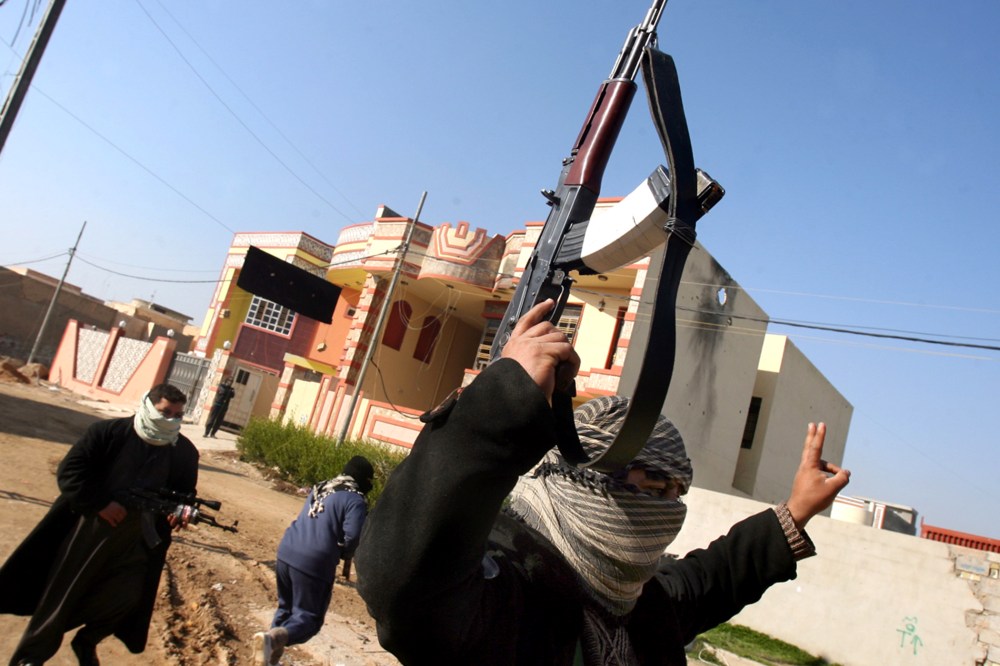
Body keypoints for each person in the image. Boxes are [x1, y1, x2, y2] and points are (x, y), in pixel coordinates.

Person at [355, 299, 851, 665]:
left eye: (674, 494)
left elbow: (711, 577)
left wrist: (795, 511)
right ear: (585, 474)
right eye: (649, 486)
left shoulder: (641, 604)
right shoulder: (505, 581)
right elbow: (403, 582)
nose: (665, 509)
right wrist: (502, 399)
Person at [0, 383, 199, 666]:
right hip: (91, 530)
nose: (171, 421)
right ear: (147, 406)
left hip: (139, 539)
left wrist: (180, 512)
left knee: (127, 597)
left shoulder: (184, 452)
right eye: (165, 412)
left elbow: (185, 493)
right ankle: (30, 658)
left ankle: (87, 641)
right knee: (63, 595)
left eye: (178, 415)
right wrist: (101, 503)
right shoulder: (109, 433)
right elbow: (71, 472)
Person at [252, 456, 374, 666]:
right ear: (363, 478)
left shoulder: (323, 486)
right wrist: (344, 552)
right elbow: (353, 536)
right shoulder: (355, 499)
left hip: (287, 550)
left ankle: (268, 658)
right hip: (314, 561)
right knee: (309, 618)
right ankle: (272, 640)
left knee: (285, 608)